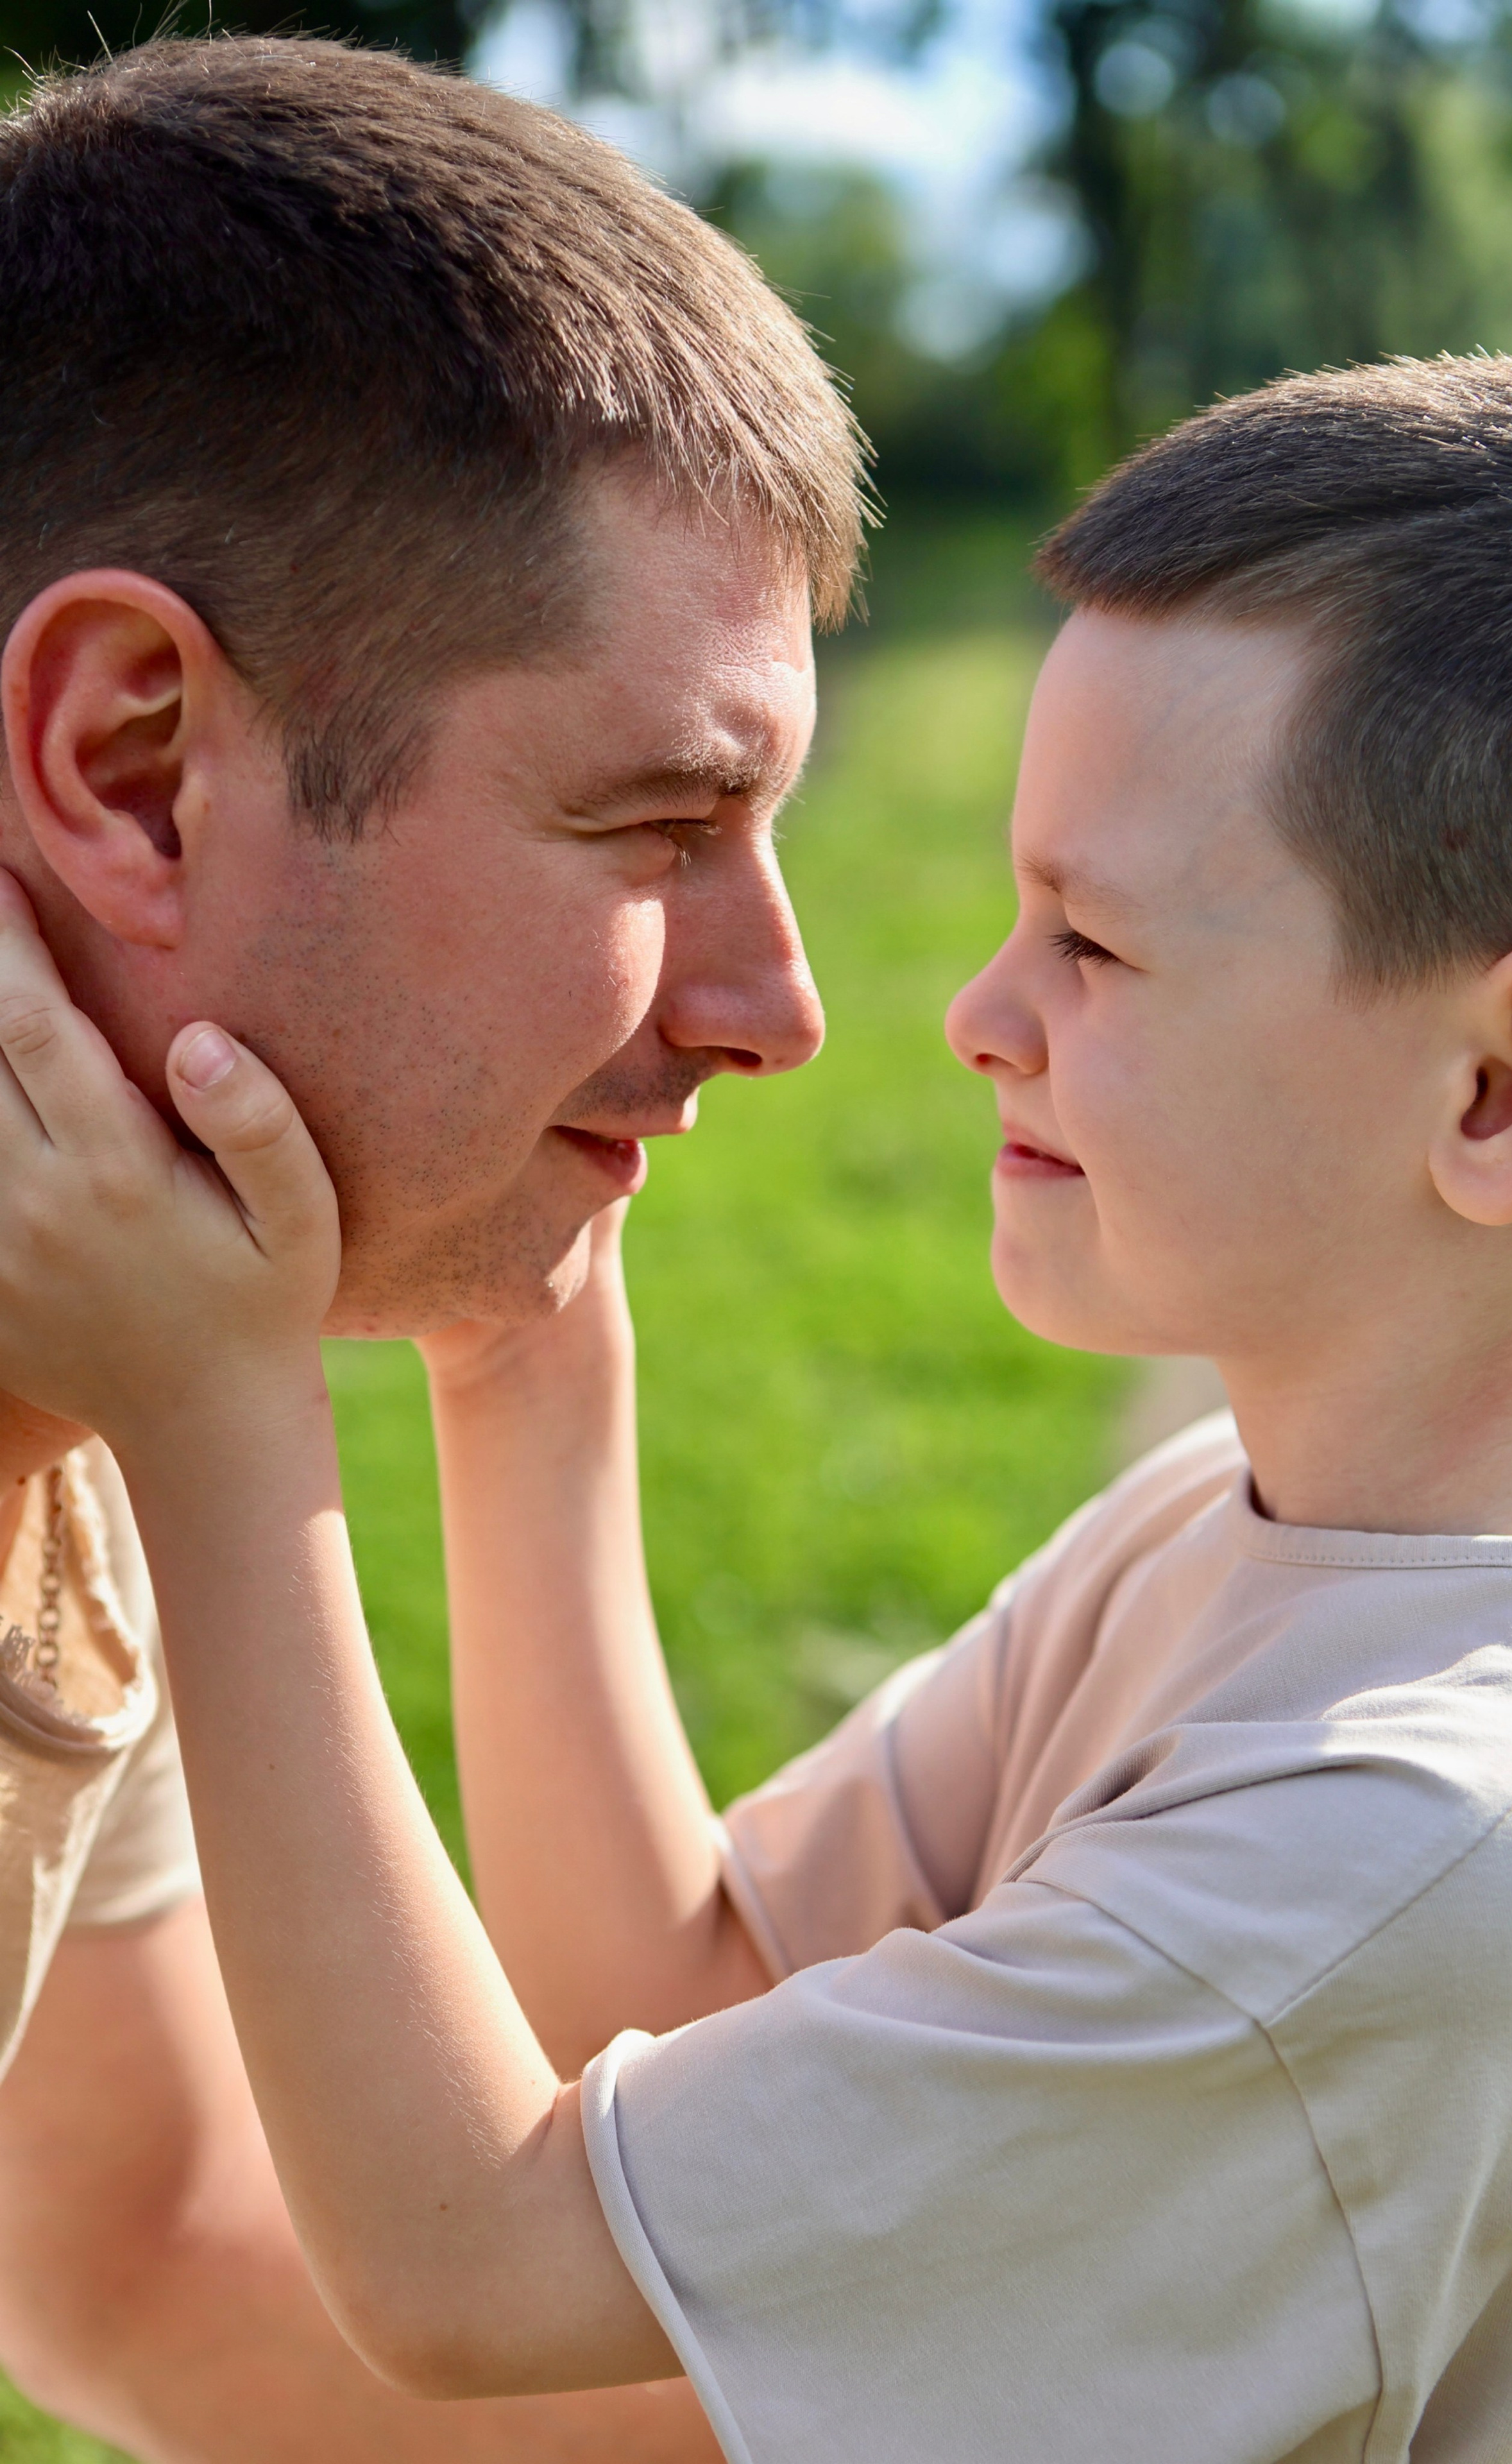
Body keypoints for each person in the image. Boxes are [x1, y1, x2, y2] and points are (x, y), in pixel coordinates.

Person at [6, 336, 1512, 2459]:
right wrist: (525, 1367)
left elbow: (476, 2265)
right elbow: (667, 2013)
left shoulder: (1407, 1871)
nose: (978, 1012)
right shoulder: (1241, 1543)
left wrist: (218, 1427)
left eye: (1097, 946)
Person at [0, 32, 865, 2461]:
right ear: (134, 766)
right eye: (661, 823)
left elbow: (144, 2240)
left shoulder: (101, 1341)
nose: (776, 1007)